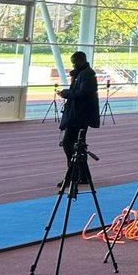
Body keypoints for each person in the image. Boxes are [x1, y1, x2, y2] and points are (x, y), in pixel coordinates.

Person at [58, 51, 99, 185]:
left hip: (80, 115)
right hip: (77, 114)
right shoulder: (81, 74)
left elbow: (84, 92)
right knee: (77, 146)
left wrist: (66, 93)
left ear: (81, 60)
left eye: (75, 62)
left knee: (69, 144)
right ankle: (82, 175)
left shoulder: (88, 74)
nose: (73, 65)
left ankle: (73, 175)